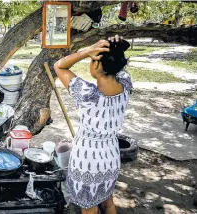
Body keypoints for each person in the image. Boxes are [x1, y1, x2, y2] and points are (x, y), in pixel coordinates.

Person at [54, 35, 132, 214]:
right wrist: (115, 47)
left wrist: (87, 51)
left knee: (89, 208)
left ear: (96, 64)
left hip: (88, 161)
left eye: (91, 60)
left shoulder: (88, 94)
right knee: (107, 202)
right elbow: (118, 67)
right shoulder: (126, 85)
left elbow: (59, 65)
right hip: (111, 157)